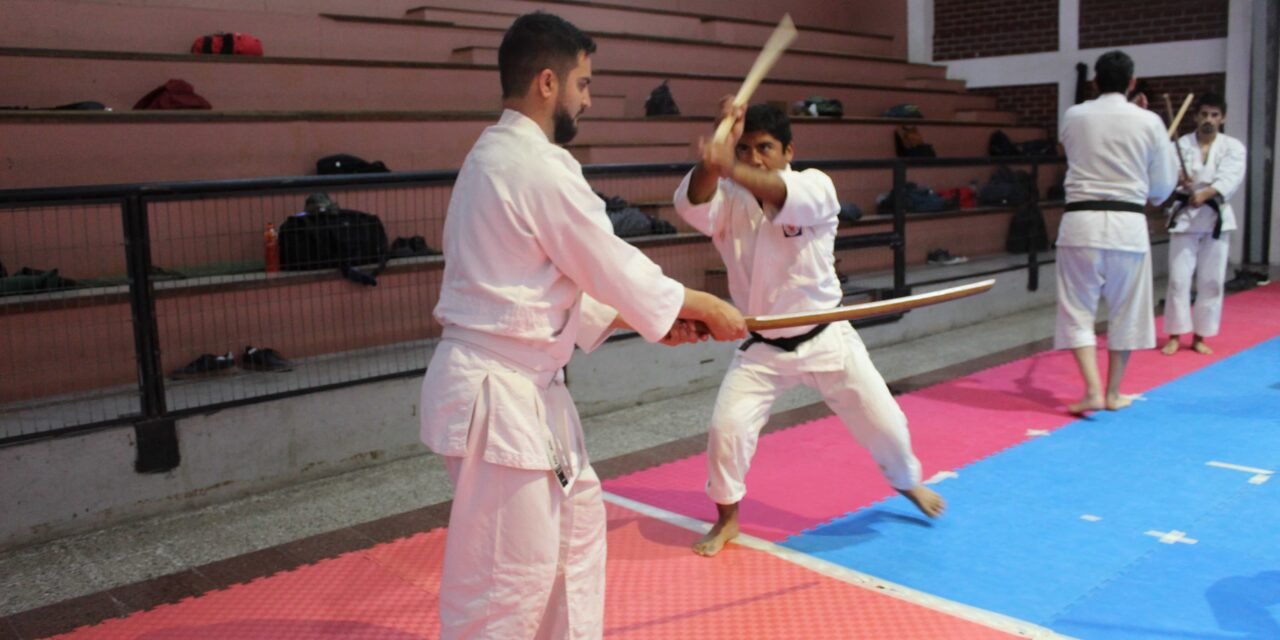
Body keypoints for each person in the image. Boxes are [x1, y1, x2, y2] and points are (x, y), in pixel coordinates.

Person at [418, 13, 746, 639]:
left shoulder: (498, 160)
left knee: (573, 540)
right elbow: (602, 256)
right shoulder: (530, 163)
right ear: (548, 82)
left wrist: (652, 319)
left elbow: (548, 279)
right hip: (500, 395)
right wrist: (701, 303)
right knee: (501, 586)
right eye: (584, 84)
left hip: (526, 392)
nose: (588, 100)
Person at [674, 101, 945, 558]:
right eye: (745, 149)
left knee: (888, 427)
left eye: (765, 148)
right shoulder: (729, 199)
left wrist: (730, 165)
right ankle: (727, 519)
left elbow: (776, 192)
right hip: (763, 346)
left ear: (788, 151)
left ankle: (907, 482)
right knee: (727, 430)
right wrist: (713, 158)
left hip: (826, 338)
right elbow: (691, 202)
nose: (754, 157)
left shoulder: (815, 187)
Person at [1055, 50, 1177, 414]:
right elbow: (1162, 187)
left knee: (1077, 310)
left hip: (1080, 223)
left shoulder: (1074, 115)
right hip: (1127, 226)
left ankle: (1091, 389)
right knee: (1126, 310)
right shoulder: (1150, 122)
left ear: (1094, 81)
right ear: (1132, 82)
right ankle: (1112, 392)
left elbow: (1071, 149)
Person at [1160, 93, 1246, 356]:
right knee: (1178, 279)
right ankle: (1175, 334)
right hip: (1185, 218)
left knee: (1212, 280)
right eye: (1204, 114)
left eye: (1214, 115)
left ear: (1223, 118)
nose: (1209, 120)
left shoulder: (1233, 147)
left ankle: (1200, 335)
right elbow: (1166, 177)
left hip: (1215, 218)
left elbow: (1230, 178)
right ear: (1196, 116)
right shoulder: (1179, 145)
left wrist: (1204, 193)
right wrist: (1179, 182)